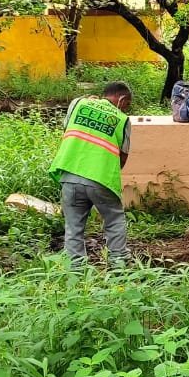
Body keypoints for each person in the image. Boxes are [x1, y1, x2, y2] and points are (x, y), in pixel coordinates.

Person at [49, 81, 132, 266]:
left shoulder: (78, 103)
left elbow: (67, 128)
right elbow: (123, 158)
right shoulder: (122, 119)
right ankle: (119, 265)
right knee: (114, 220)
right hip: (101, 179)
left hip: (70, 174)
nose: (126, 109)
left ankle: (75, 270)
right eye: (127, 105)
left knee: (73, 226)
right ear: (122, 99)